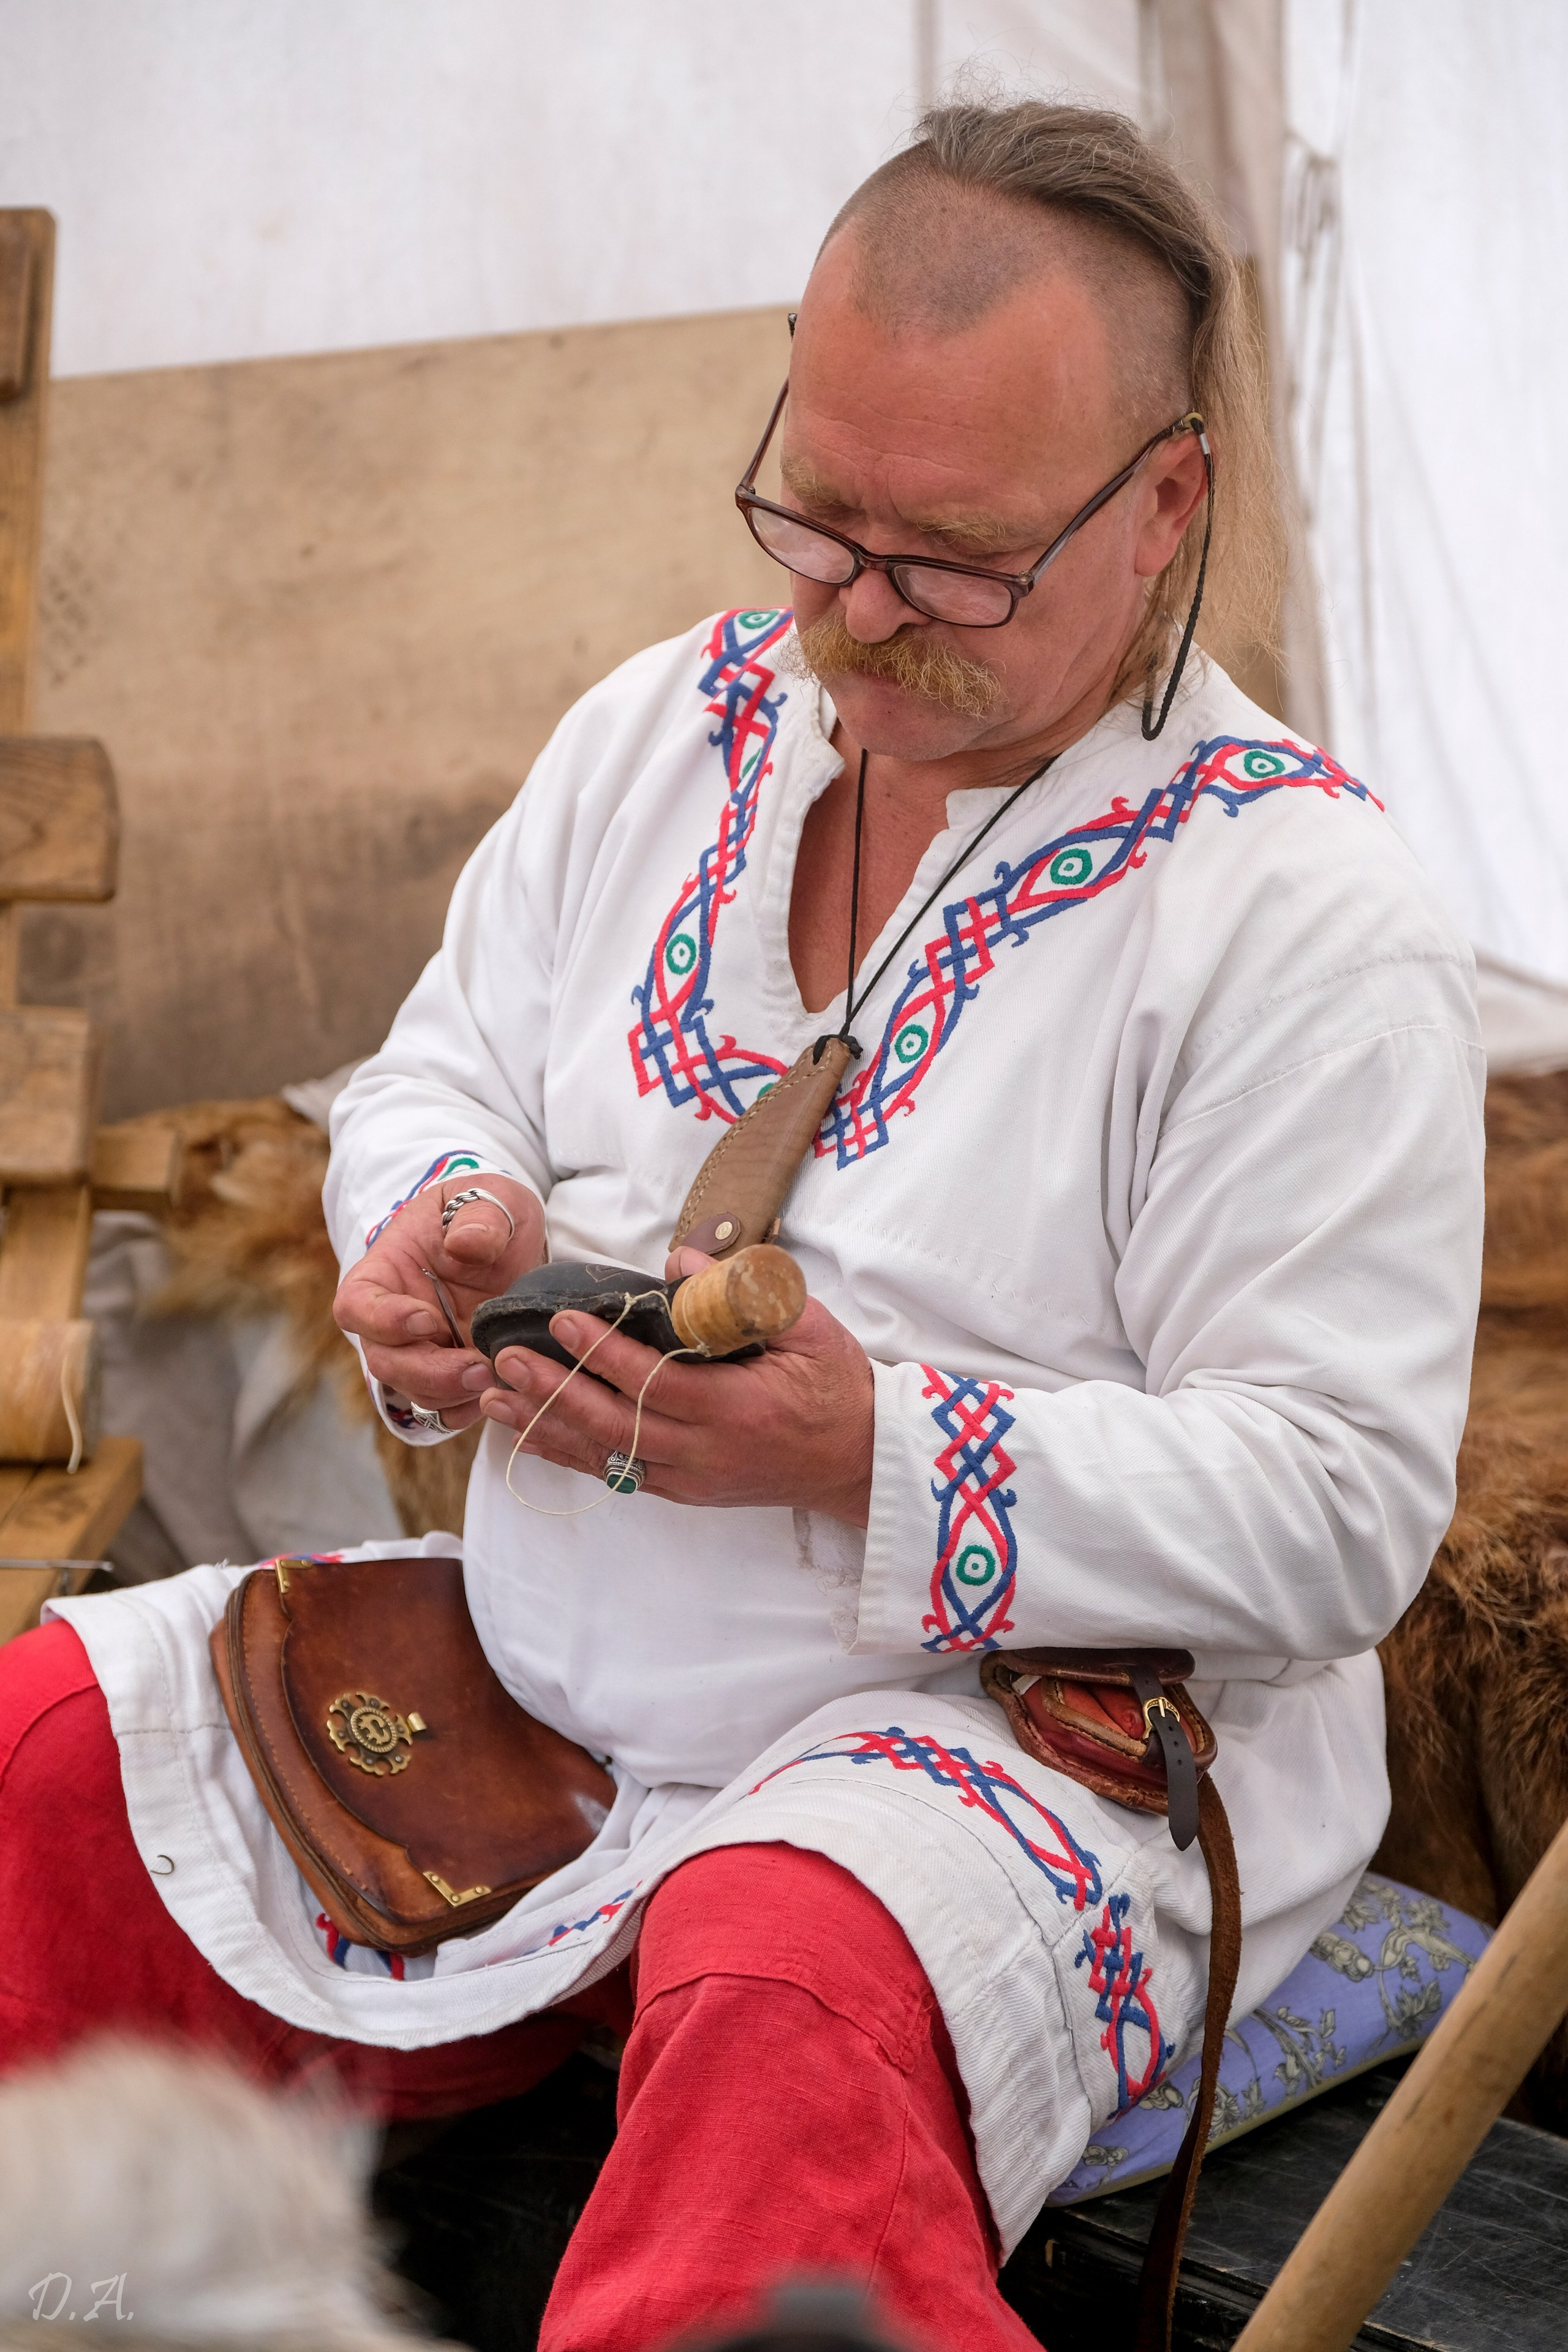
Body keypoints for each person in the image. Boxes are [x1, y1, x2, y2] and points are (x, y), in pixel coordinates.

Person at [0, 102, 1482, 2352]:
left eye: (958, 559)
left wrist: (870, 1452)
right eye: (821, 515)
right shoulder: (664, 734)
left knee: (783, 1988)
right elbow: (438, 1067)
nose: (861, 615)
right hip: (548, 1670)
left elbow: (1340, 1506)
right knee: (45, 1757)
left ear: (1167, 498)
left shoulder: (1300, 914)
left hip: (994, 1755)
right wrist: (436, 1219)